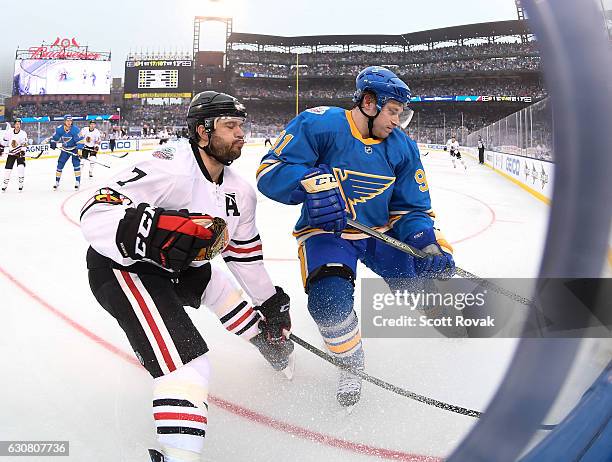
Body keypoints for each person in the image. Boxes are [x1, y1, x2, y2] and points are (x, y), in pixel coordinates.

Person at [80, 91, 293, 462]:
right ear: (202, 132)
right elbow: (95, 210)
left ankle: (266, 340)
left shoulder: (240, 192)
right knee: (187, 364)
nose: (240, 133)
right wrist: (150, 231)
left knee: (222, 290)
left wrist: (270, 303)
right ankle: (180, 456)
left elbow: (243, 257)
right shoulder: (169, 165)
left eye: (241, 125)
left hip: (180, 270)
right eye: (230, 126)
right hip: (125, 270)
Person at [257, 66, 455, 407]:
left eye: (400, 114)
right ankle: (350, 362)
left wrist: (426, 239)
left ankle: (438, 310)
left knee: (420, 278)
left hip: (380, 233)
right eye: (393, 111)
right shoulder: (320, 124)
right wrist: (310, 183)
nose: (397, 121)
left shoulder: (402, 147)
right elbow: (270, 171)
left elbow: (411, 207)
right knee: (328, 303)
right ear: (368, 102)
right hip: (327, 233)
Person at [50, 115, 83, 190]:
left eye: (70, 121)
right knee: (60, 164)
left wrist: (79, 150)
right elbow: (55, 138)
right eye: (67, 121)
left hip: (74, 149)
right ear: (64, 121)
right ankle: (57, 182)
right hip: (65, 149)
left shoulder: (75, 129)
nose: (69, 122)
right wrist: (53, 142)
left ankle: (77, 182)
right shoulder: (59, 129)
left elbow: (80, 140)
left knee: (76, 164)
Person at [2, 118, 28, 192]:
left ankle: (21, 184)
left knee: (21, 168)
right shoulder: (10, 131)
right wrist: (1, 148)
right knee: (7, 169)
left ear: (20, 125)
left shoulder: (23, 133)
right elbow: (4, 141)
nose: (18, 125)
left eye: (19, 124)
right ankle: (5, 185)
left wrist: (23, 151)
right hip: (11, 153)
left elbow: (25, 144)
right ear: (14, 125)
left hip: (19, 153)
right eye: (16, 124)